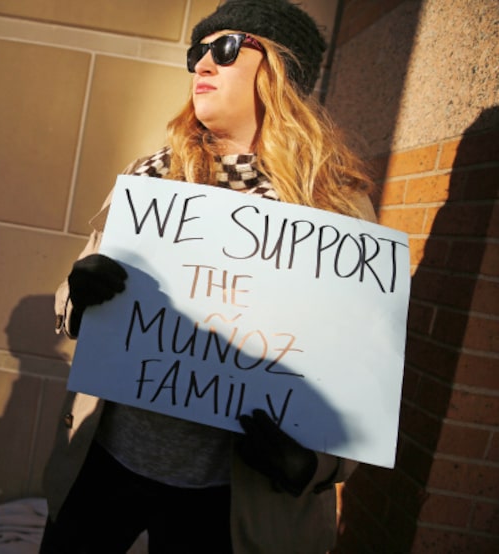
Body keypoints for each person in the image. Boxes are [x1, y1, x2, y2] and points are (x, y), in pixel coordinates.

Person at [40, 0, 377, 552]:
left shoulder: (334, 211)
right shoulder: (151, 179)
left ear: (281, 73)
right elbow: (75, 299)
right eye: (197, 53)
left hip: (231, 494)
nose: (201, 65)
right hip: (108, 458)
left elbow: (362, 366)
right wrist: (80, 292)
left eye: (224, 49)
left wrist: (315, 463)